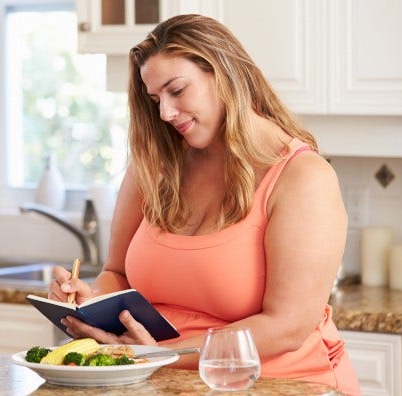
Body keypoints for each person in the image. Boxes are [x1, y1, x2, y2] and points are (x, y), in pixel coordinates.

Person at [48, 14, 360, 395]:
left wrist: (157, 355)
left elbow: (288, 326)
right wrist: (90, 301)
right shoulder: (155, 166)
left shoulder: (302, 178)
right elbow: (118, 272)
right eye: (156, 99)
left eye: (177, 90)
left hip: (280, 384)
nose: (165, 113)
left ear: (225, 73)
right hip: (163, 383)